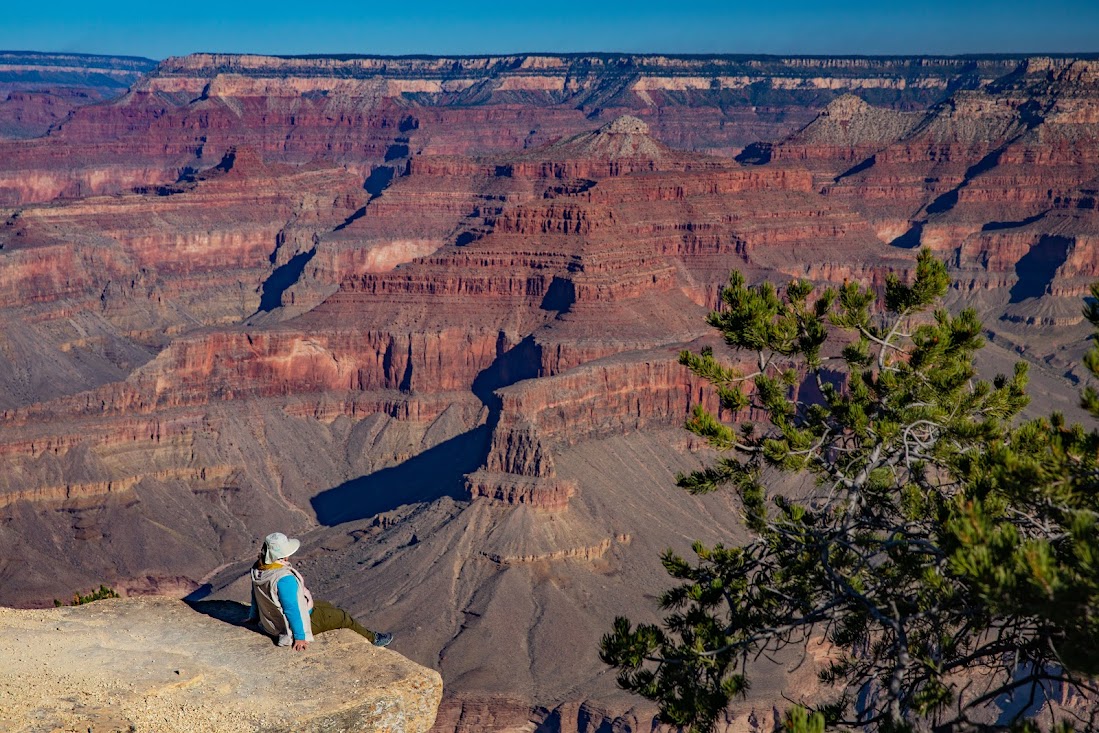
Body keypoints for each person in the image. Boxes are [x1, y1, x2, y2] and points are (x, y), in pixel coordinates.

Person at [245, 531, 393, 650]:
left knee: (326, 605)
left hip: (271, 622)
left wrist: (254, 616)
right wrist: (300, 636)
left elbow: (256, 595)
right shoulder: (283, 579)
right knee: (342, 617)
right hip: (287, 626)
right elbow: (292, 609)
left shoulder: (259, 569)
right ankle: (374, 639)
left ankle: (329, 616)